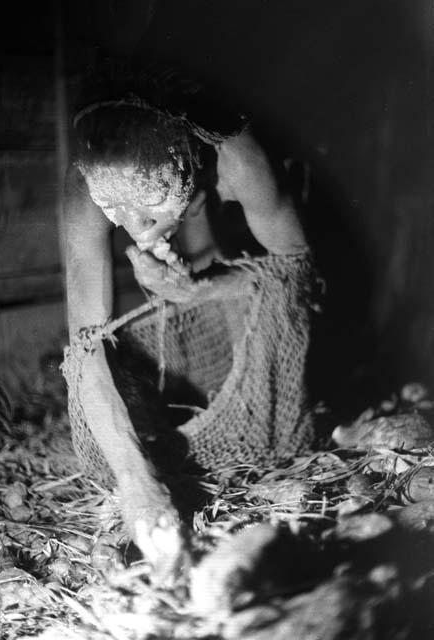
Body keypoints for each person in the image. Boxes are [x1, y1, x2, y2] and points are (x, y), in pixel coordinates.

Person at [63, 87, 310, 574]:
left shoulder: (240, 162)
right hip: (180, 192)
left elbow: (295, 276)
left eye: (149, 212)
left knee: (219, 267)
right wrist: (137, 482)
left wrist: (198, 291)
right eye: (115, 211)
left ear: (189, 170)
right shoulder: (85, 189)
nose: (131, 228)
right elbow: (85, 347)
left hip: (210, 171)